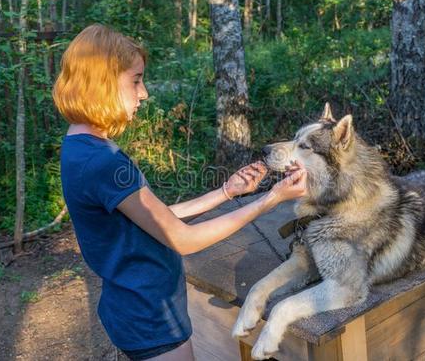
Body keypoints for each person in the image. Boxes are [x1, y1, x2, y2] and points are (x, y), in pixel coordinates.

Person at [53, 24, 307, 361]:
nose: (143, 93)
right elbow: (182, 239)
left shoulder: (80, 147)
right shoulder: (104, 161)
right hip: (151, 319)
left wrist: (227, 192)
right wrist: (271, 199)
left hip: (129, 307)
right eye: (136, 80)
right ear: (102, 80)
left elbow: (156, 216)